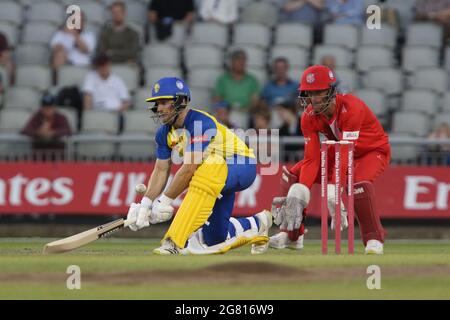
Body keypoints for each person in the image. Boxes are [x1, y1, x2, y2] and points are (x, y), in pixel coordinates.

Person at [125, 77, 272, 255]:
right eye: (157, 103)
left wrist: (163, 202)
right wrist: (146, 204)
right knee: (215, 238)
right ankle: (259, 223)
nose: (159, 108)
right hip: (213, 177)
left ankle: (174, 242)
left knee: (207, 167)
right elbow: (161, 169)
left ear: (181, 101)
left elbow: (188, 169)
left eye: (164, 102)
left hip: (241, 165)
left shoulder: (200, 123)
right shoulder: (163, 133)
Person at [268, 65, 391, 255]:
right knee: (293, 176)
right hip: (340, 149)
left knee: (358, 183)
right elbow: (312, 160)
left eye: (319, 92)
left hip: (371, 151)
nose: (314, 99)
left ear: (332, 91)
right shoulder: (308, 116)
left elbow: (345, 152)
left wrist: (334, 190)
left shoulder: (352, 107)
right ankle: (292, 235)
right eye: (309, 93)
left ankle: (373, 238)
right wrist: (300, 191)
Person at [21, 93, 72, 158]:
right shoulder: (36, 117)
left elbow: (68, 131)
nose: (48, 110)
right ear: (41, 108)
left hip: (57, 157)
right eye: (45, 107)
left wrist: (53, 133)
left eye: (50, 107)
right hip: (38, 158)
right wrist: (38, 133)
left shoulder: (61, 117)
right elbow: (25, 130)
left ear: (54, 108)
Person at [213, 49, 260, 113]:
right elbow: (217, 99)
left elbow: (255, 101)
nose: (241, 63)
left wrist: (246, 110)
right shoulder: (222, 80)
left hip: (246, 114)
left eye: (243, 60)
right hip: (226, 113)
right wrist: (226, 110)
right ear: (232, 62)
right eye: (238, 60)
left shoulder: (252, 80)